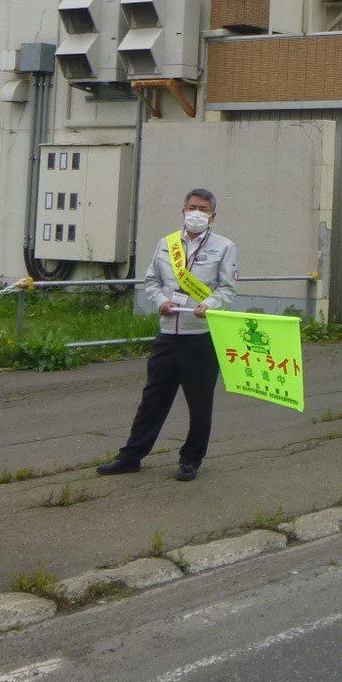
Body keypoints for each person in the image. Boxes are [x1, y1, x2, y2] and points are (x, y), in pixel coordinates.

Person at [98, 189, 238, 482]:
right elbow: (152, 280)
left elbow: (227, 289)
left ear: (212, 215)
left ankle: (191, 459)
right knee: (152, 399)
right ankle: (131, 455)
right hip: (167, 335)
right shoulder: (167, 244)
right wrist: (160, 300)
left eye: (202, 208)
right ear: (183, 211)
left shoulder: (224, 247)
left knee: (199, 404)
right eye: (191, 207)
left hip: (200, 337)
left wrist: (208, 304)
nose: (196, 212)